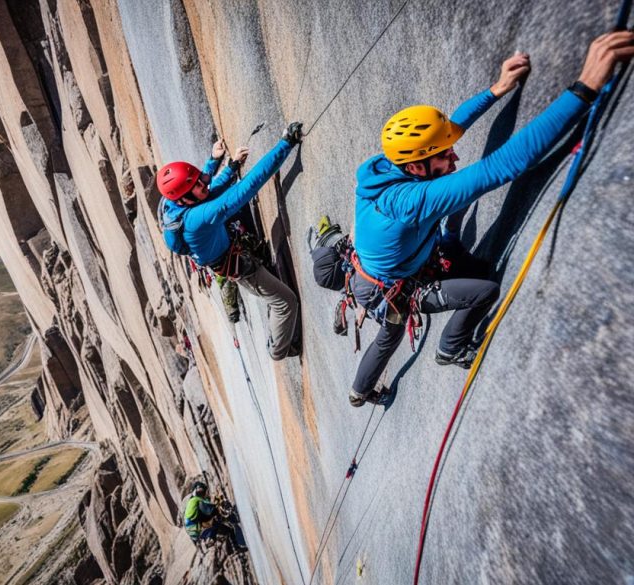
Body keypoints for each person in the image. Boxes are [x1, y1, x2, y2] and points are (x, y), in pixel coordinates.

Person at [348, 31, 634, 407]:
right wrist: (583, 89)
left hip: (390, 265)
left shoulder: (386, 164)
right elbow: (501, 167)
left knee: (461, 249)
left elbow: (451, 129)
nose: (455, 159)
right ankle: (442, 352)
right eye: (444, 157)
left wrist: (496, 90)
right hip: (391, 287)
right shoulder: (413, 200)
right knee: (460, 303)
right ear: (417, 168)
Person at [157, 122, 304, 360]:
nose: (203, 183)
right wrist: (285, 144)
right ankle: (278, 350)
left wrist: (221, 163)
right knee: (286, 302)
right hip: (237, 266)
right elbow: (245, 188)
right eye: (197, 185)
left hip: (228, 246)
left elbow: (208, 187)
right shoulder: (196, 218)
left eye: (200, 179)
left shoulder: (174, 204)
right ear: (185, 198)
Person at [182, 481, 246, 551]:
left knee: (227, 529)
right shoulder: (197, 500)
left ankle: (234, 548)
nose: (204, 494)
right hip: (196, 527)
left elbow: (206, 512)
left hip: (195, 527)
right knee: (221, 525)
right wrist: (217, 506)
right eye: (203, 491)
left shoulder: (193, 501)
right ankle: (211, 538)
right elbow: (210, 510)